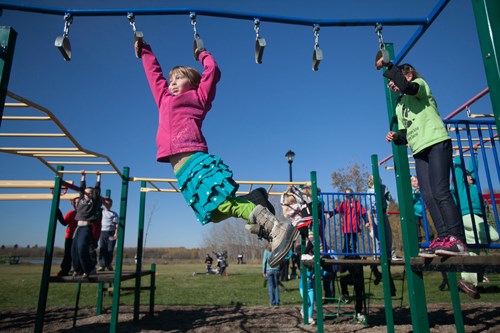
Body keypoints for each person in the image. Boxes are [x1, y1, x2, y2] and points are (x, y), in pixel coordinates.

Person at [135, 39, 297, 268]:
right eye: (170, 80)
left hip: (195, 161)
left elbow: (213, 70)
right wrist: (145, 51)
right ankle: (253, 200)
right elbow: (154, 75)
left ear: (192, 82)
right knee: (214, 213)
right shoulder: (164, 99)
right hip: (182, 174)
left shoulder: (198, 98)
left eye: (178, 78)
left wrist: (202, 54)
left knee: (223, 205)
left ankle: (276, 227)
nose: (172, 83)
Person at [377, 59, 468, 257]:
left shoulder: (420, 87)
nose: (391, 85)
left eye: (393, 81)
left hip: (436, 142)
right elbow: (404, 134)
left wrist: (388, 66)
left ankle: (458, 239)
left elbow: (408, 87)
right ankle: (444, 237)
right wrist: (396, 136)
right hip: (419, 150)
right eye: (390, 84)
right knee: (427, 195)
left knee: (441, 190)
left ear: (407, 74)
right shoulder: (400, 105)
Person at [453, 152, 499, 298]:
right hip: (467, 217)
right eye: (467, 176)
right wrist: (458, 157)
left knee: (473, 252)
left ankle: (467, 282)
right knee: (494, 235)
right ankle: (471, 279)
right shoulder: (460, 187)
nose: (470, 177)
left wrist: (475, 154)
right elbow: (459, 172)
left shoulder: (474, 186)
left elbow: (474, 171)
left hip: (475, 218)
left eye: (470, 175)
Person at [366, 175, 396, 296]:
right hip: (375, 213)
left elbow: (390, 198)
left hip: (382, 212)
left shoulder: (383, 187)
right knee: (379, 238)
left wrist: (388, 206)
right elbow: (370, 207)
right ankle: (377, 257)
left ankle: (389, 253)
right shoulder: (369, 191)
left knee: (387, 236)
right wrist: (370, 223)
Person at [72, 171, 101, 280]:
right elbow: (81, 188)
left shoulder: (93, 201)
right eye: (86, 193)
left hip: (86, 227)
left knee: (81, 248)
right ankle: (76, 269)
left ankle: (87, 270)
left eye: (90, 193)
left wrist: (98, 177)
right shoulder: (81, 199)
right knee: (74, 249)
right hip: (78, 228)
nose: (87, 194)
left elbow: (97, 190)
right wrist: (83, 176)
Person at [334, 189, 367, 256]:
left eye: (349, 195)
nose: (348, 196)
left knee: (354, 240)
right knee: (347, 240)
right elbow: (337, 209)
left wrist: (366, 221)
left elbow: (363, 212)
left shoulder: (357, 203)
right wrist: (331, 214)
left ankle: (353, 252)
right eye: (346, 195)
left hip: (354, 226)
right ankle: (347, 252)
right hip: (347, 226)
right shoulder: (344, 203)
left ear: (352, 195)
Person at [56, 197, 79, 277]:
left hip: (79, 237)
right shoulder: (71, 213)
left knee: (78, 253)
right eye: (75, 202)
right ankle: (64, 270)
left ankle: (78, 269)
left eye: (79, 202)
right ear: (73, 204)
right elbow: (64, 222)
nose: (77, 204)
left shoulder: (84, 213)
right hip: (69, 236)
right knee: (67, 254)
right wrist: (58, 212)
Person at [98, 197, 119, 271]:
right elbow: (97, 203)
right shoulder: (101, 212)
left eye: (109, 204)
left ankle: (108, 264)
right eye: (106, 203)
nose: (108, 205)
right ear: (104, 204)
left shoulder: (114, 213)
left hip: (111, 233)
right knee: (102, 248)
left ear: (111, 204)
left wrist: (116, 234)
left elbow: (116, 224)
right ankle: (102, 265)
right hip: (103, 232)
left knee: (110, 249)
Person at [262, 242, 281, 307]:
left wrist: (263, 272)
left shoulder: (266, 252)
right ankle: (277, 301)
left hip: (269, 270)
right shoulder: (277, 250)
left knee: (270, 286)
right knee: (276, 286)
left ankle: (272, 301)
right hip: (276, 269)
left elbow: (264, 262)